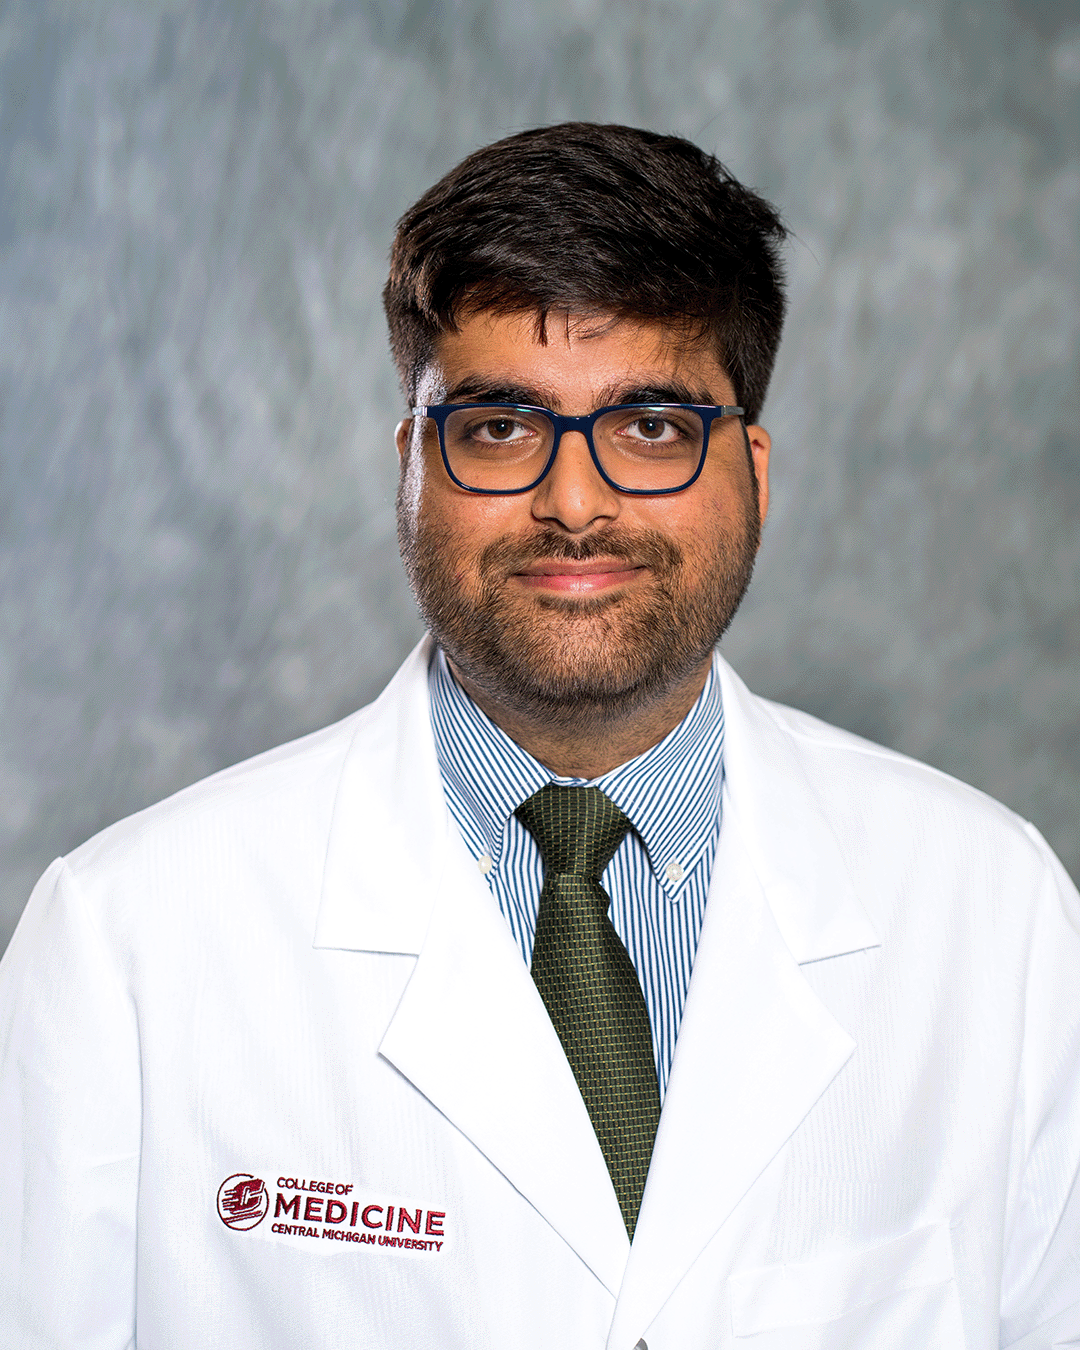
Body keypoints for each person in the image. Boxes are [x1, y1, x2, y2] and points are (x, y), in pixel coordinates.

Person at [1, 122, 1078, 1350]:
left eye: (653, 427)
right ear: (412, 462)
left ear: (756, 473)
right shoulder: (124, 947)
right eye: (502, 427)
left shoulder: (998, 917)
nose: (576, 502)